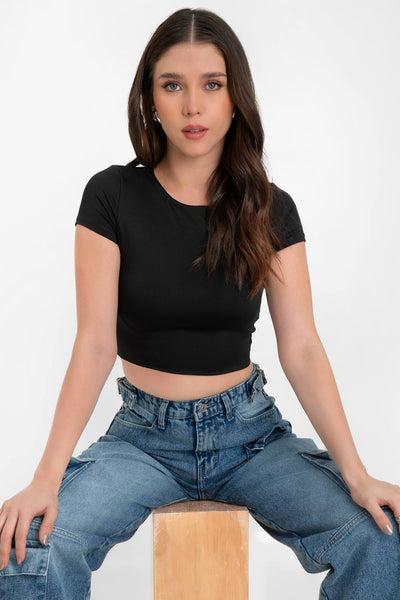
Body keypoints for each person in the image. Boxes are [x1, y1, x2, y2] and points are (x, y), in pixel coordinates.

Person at [0, 7, 399, 599]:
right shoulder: (111, 195)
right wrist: (44, 479)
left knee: (381, 537)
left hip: (251, 437)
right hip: (143, 440)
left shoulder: (271, 208)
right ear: (150, 100)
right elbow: (95, 343)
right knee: (27, 546)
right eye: (173, 86)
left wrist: (357, 474)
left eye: (212, 85)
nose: (193, 106)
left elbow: (302, 347)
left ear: (236, 98)